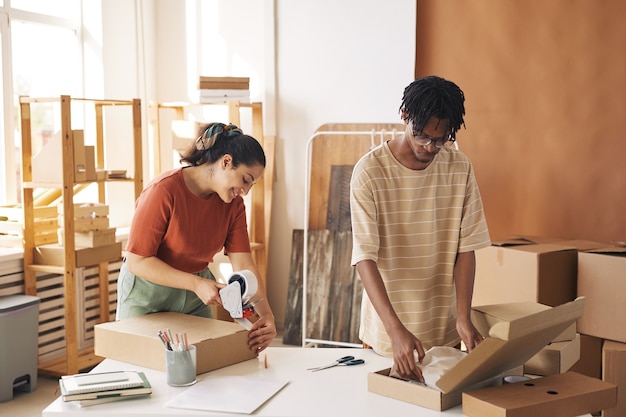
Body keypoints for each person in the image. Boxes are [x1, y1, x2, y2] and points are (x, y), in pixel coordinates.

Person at [350, 75, 491, 382]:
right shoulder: (369, 173)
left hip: (445, 333)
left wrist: (463, 317)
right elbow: (364, 258)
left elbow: (465, 248)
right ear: (405, 116)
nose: (429, 147)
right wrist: (394, 329)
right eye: (422, 136)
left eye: (440, 140)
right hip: (388, 338)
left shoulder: (460, 168)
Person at [117, 122, 277, 353]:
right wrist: (197, 284)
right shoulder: (163, 191)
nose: (246, 190)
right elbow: (137, 261)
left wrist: (267, 316)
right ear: (225, 162)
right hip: (147, 292)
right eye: (245, 179)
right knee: (142, 365)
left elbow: (244, 265)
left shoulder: (233, 206)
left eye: (252, 184)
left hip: (195, 294)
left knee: (203, 362)